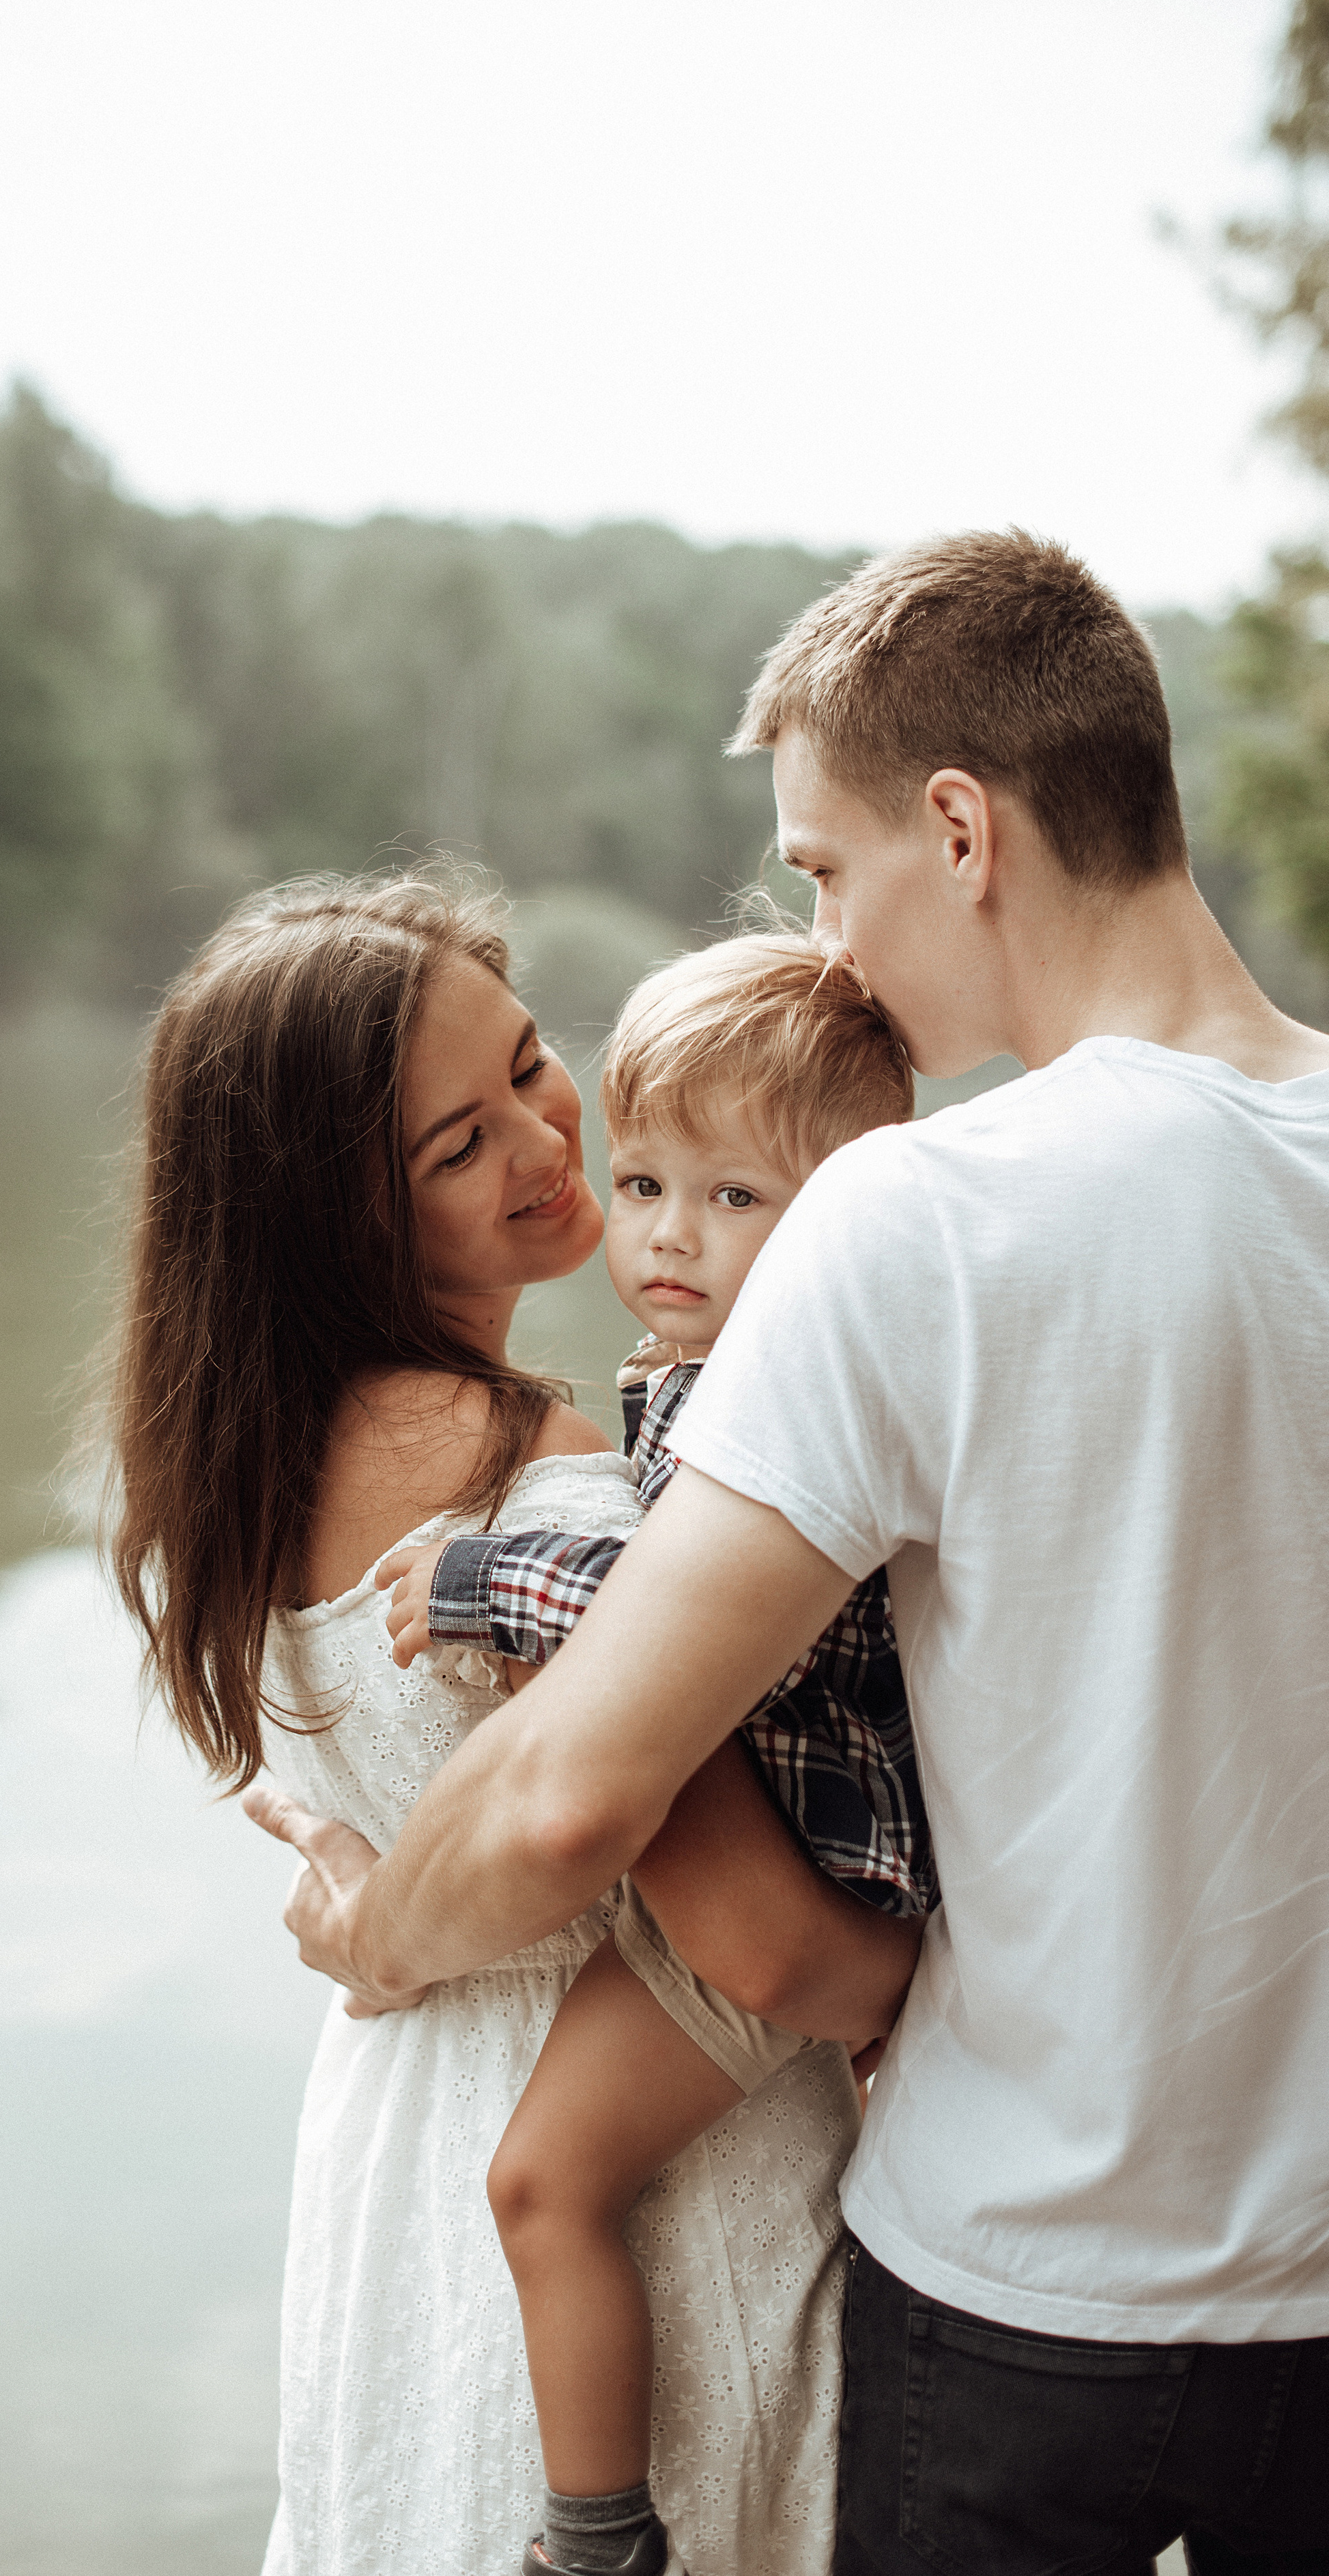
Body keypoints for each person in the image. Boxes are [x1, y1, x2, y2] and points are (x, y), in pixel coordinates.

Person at [247, 534, 1329, 2573]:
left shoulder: (919, 1211)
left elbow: (581, 1783)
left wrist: (374, 1926)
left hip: (1021, 2294)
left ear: (961, 826)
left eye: (825, 872)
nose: (829, 947)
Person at [107, 875, 915, 2576]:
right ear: (336, 1216)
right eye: (454, 1148)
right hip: (663, 2199)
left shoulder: (223, 1465)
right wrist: (928, 2006)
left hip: (401, 2175)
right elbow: (752, 1940)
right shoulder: (538, 1478)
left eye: (533, 1063)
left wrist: (379, 1932)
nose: (549, 1145)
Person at [375, 933, 932, 2576]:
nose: (665, 1238)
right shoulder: (700, 1367)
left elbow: (657, 1618)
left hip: (812, 1875)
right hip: (814, 1852)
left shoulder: (782, 1384)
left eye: (734, 1199)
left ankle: (595, 2536)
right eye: (641, 1182)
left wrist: (478, 1579)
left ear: (846, 1213)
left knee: (544, 2182)